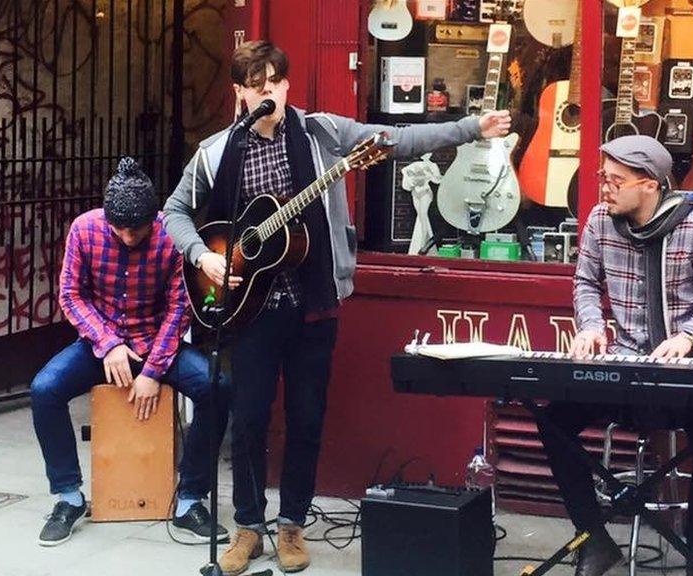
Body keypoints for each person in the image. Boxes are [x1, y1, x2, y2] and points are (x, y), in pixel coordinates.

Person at [162, 40, 511, 574]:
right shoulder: (216, 151)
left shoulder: (321, 133)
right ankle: (248, 527)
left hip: (313, 304)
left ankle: (292, 525)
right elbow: (175, 212)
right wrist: (201, 259)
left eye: (276, 82)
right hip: (246, 310)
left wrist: (469, 129)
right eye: (258, 85)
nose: (270, 93)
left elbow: (400, 140)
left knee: (306, 420)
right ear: (239, 93)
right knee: (250, 420)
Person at [536, 135, 693, 576]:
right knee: (552, 420)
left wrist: (689, 336)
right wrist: (591, 326)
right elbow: (586, 282)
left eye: (615, 180)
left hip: (686, 367)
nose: (604, 188)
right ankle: (594, 538)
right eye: (601, 178)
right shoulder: (598, 221)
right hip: (625, 366)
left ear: (650, 184)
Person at [30, 157, 230, 547]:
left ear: (152, 218)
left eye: (135, 230)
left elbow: (180, 308)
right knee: (44, 390)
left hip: (158, 343)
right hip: (100, 345)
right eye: (118, 228)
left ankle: (190, 499)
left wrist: (153, 371)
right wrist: (107, 344)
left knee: (217, 386)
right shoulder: (84, 229)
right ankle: (68, 497)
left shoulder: (171, 236)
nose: (126, 236)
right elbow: (71, 296)